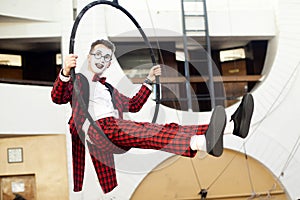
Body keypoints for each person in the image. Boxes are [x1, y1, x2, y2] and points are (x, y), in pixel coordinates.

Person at [51, 39, 254, 193]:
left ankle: (232, 128)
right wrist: (66, 72)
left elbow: (134, 105)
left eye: (106, 57)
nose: (102, 60)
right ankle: (198, 142)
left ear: (110, 63)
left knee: (162, 129)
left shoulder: (108, 89)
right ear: (88, 57)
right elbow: (58, 97)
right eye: (98, 55)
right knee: (145, 131)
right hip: (96, 131)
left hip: (113, 128)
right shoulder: (78, 81)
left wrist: (148, 80)